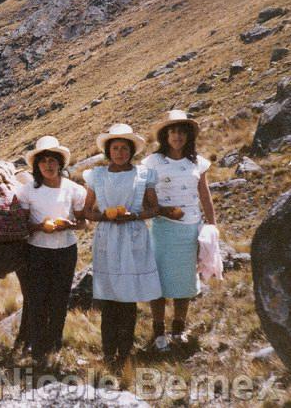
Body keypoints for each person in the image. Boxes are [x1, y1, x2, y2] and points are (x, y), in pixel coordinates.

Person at [82, 124, 162, 369]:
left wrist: (134, 216)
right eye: (115, 148)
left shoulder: (143, 175)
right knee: (109, 298)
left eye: (124, 148)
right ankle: (108, 352)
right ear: (108, 151)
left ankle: (125, 351)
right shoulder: (97, 176)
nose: (119, 152)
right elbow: (87, 211)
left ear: (131, 151)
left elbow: (154, 208)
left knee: (128, 297)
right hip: (107, 237)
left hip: (133, 236)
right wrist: (105, 217)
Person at [143, 110, 217, 350]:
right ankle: (158, 331)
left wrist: (212, 225)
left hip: (190, 228)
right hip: (163, 228)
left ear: (188, 136)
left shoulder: (197, 162)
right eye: (173, 131)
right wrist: (161, 210)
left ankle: (178, 328)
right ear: (165, 135)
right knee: (159, 281)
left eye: (181, 132)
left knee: (184, 280)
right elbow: (145, 196)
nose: (177, 136)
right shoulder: (152, 162)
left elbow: (204, 195)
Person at [13, 136, 86, 364]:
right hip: (37, 251)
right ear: (37, 165)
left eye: (52, 160)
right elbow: (22, 226)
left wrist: (69, 225)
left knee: (60, 299)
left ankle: (54, 345)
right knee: (37, 299)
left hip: (66, 250)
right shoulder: (27, 192)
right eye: (43, 161)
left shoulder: (73, 189)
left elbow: (83, 223)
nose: (48, 165)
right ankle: (36, 348)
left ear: (60, 163)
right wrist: (39, 226)